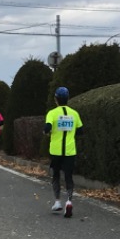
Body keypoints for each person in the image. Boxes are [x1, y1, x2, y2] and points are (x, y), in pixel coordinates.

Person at [44, 86, 83, 217]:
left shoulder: (52, 113)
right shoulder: (74, 114)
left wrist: (47, 132)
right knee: (68, 177)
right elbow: (81, 131)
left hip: (55, 151)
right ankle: (69, 201)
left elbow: (47, 127)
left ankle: (57, 201)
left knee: (55, 175)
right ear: (68, 99)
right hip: (70, 151)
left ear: (56, 99)